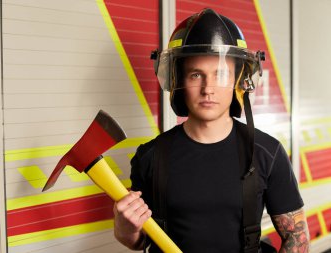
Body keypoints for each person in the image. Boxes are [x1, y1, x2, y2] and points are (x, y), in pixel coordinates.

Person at [113, 8, 309, 253]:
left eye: (222, 74)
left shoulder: (266, 152)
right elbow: (141, 241)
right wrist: (125, 227)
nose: (208, 89)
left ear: (239, 80)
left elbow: (296, 236)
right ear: (178, 81)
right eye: (196, 75)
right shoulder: (151, 157)